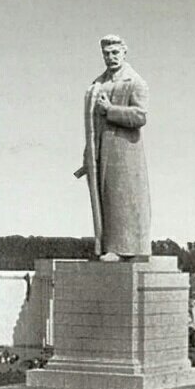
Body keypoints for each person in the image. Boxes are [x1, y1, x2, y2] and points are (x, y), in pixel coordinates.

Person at [75, 35, 151, 259]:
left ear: (124, 53)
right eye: (106, 54)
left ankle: (126, 249)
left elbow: (140, 116)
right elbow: (92, 126)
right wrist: (88, 155)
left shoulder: (135, 82)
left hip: (125, 152)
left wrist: (110, 110)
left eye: (115, 53)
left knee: (124, 199)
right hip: (101, 152)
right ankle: (108, 247)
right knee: (105, 200)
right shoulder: (97, 84)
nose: (111, 57)